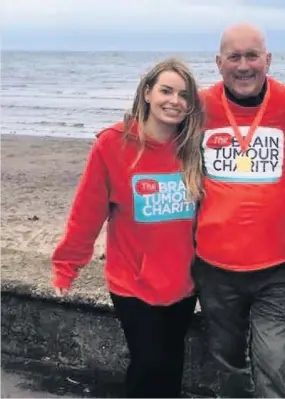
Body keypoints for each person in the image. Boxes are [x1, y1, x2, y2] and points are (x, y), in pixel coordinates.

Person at [51, 59, 205, 398]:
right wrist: (67, 266)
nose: (174, 101)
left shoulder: (193, 149)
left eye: (184, 95)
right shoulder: (113, 143)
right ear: (147, 92)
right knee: (148, 363)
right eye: (166, 90)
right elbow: (87, 212)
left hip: (182, 282)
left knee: (170, 365)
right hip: (132, 281)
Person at [191, 23, 285, 398]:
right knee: (227, 362)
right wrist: (123, 132)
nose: (244, 66)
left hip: (278, 267)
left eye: (252, 56)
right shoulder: (200, 105)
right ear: (219, 62)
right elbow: (156, 120)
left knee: (272, 362)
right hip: (215, 267)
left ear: (267, 60)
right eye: (234, 57)